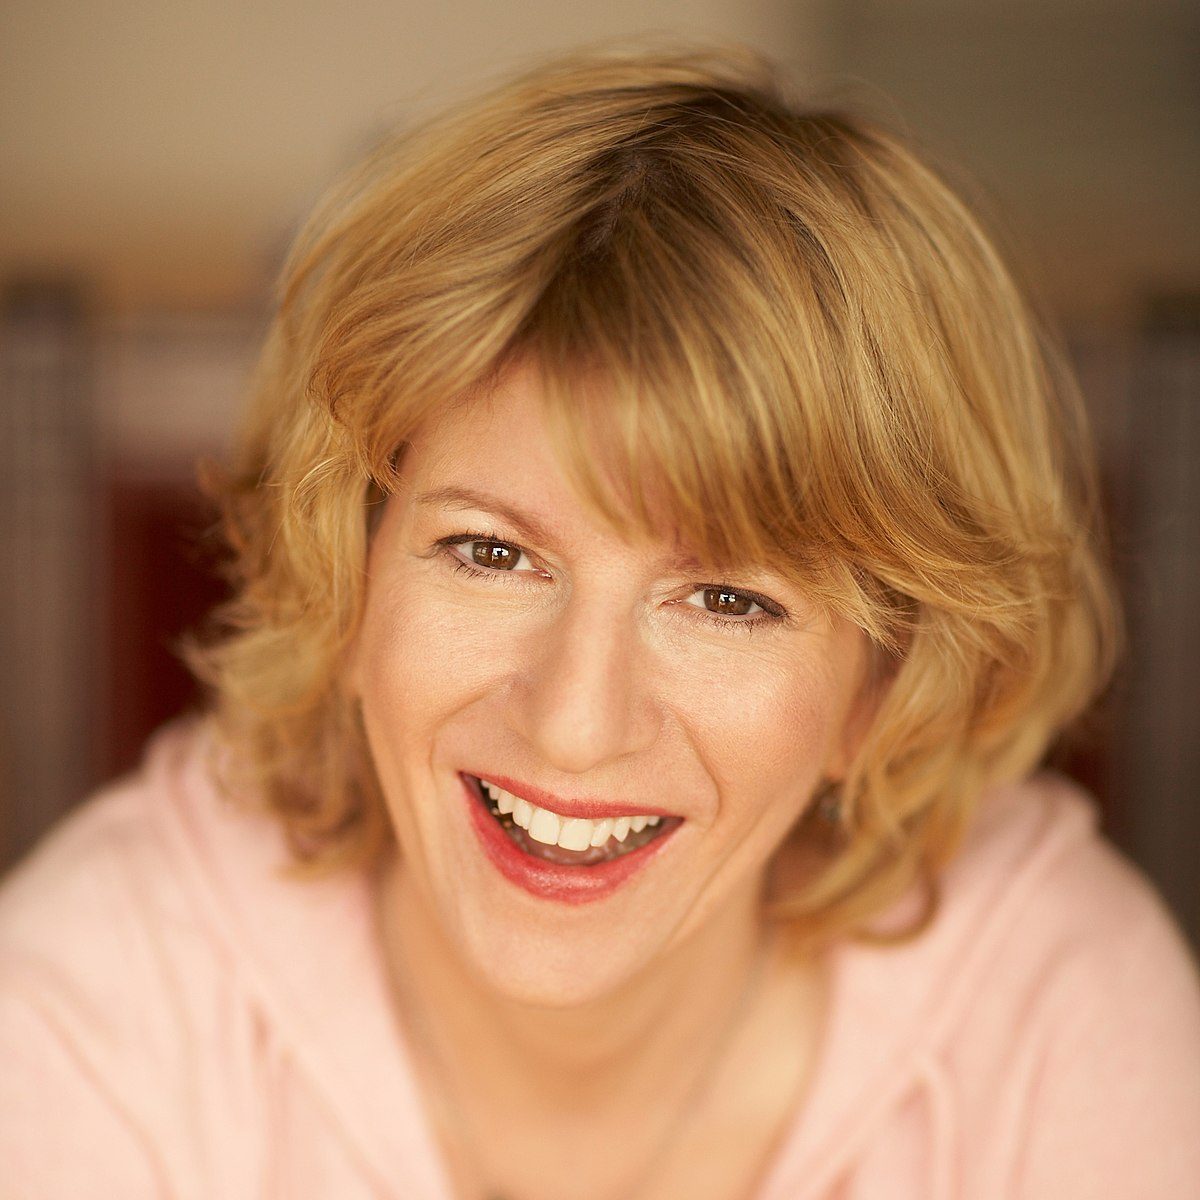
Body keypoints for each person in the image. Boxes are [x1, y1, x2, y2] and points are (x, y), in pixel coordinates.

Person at [2, 44, 1199, 1200]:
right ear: (347, 587)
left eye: (729, 601)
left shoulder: (1062, 1025)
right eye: (491, 552)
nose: (575, 726)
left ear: (882, 685)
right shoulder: (93, 1012)